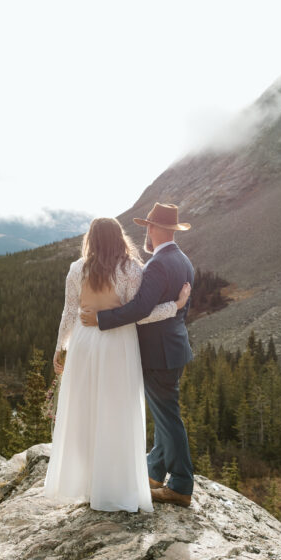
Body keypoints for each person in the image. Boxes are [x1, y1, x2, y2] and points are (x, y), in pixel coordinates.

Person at [44, 216, 190, 512]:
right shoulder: (130, 269)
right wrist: (174, 306)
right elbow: (141, 313)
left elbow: (69, 312)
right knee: (116, 412)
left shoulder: (76, 269)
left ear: (91, 239)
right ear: (119, 238)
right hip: (117, 345)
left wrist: (61, 347)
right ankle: (116, 483)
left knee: (86, 411)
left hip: (84, 344)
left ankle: (88, 483)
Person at [79, 202, 195, 507]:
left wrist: (101, 320)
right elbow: (172, 312)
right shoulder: (184, 261)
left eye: (148, 227)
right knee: (164, 414)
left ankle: (182, 484)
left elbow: (141, 309)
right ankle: (154, 472)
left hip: (159, 354)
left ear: (155, 229)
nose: (146, 232)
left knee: (168, 419)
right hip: (175, 349)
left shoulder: (158, 264)